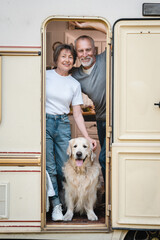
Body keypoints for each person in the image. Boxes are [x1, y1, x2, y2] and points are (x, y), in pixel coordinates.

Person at [46, 44, 97, 221]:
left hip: (62, 123)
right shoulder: (45, 76)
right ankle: (56, 206)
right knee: (50, 167)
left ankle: (64, 202)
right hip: (44, 122)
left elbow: (77, 113)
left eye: (70, 57)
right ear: (56, 59)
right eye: (63, 56)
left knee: (64, 167)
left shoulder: (74, 84)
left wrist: (88, 137)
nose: (67, 60)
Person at [71, 21, 107, 183]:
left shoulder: (105, 58)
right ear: (76, 54)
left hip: (121, 118)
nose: (85, 54)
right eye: (80, 51)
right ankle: (108, 195)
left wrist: (86, 24)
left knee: (109, 157)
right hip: (102, 119)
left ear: (95, 50)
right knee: (105, 159)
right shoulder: (75, 75)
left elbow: (113, 30)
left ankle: (111, 195)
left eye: (88, 50)